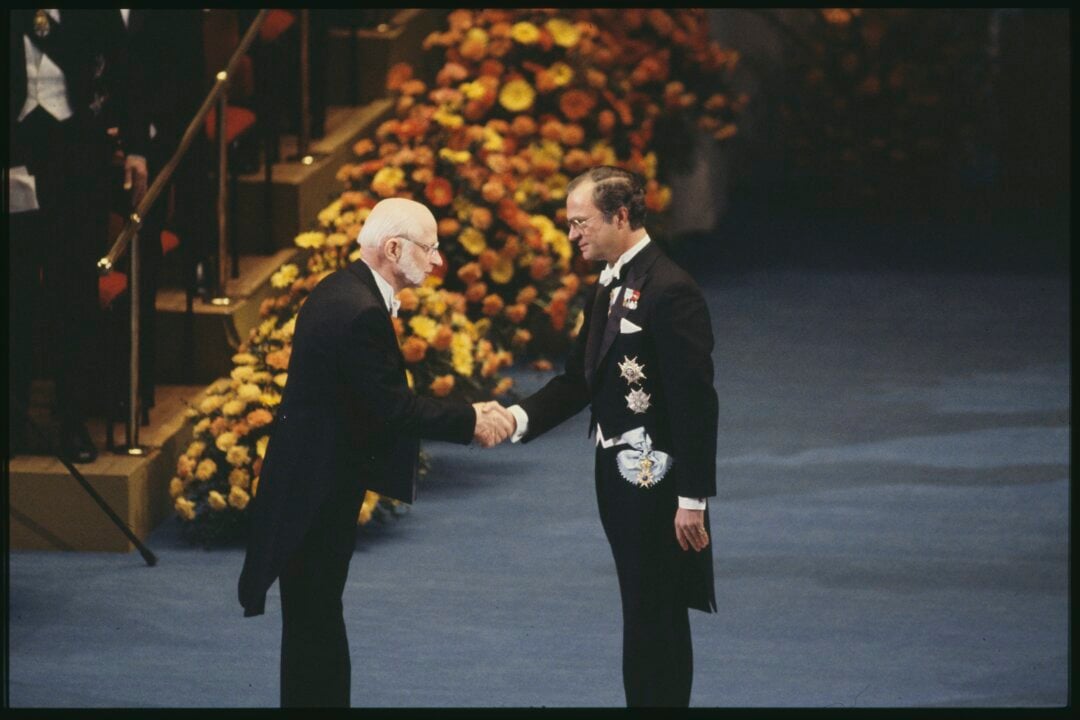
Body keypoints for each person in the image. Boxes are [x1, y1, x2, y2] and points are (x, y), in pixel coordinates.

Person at [237, 197, 515, 708]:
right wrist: (471, 419)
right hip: (318, 491)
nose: (437, 260)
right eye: (429, 248)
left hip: (309, 479)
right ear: (392, 249)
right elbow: (394, 409)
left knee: (313, 622)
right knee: (317, 624)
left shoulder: (342, 289)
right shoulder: (361, 310)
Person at [504, 166, 719, 707]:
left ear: (620, 217)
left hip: (658, 484)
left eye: (581, 223)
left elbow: (695, 403)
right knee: (641, 609)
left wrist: (692, 499)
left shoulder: (671, 289)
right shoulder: (608, 282)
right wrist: (515, 419)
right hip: (616, 478)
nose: (571, 235)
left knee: (657, 615)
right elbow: (580, 380)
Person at [8, 9, 147, 463]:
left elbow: (126, 71)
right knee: (15, 292)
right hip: (13, 151)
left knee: (75, 294)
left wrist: (136, 147)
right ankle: (14, 421)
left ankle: (72, 422)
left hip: (76, 153)